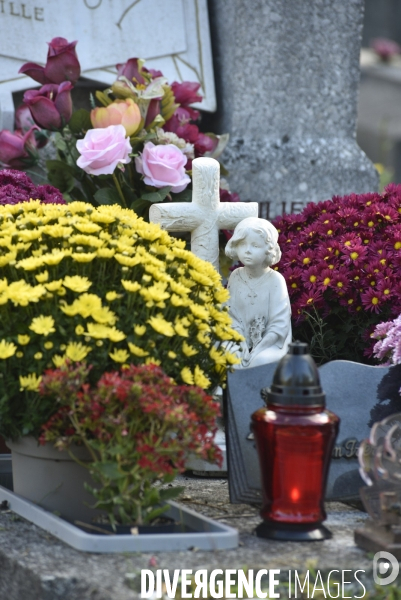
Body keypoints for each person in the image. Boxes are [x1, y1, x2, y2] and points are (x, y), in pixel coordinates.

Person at [225, 217, 292, 368]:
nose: (247, 250)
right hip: (238, 340)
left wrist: (257, 350)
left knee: (259, 362)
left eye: (255, 245)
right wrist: (240, 344)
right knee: (229, 358)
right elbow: (231, 316)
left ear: (268, 250)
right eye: (242, 244)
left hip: (271, 343)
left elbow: (279, 325)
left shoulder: (275, 280)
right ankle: (226, 392)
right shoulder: (235, 276)